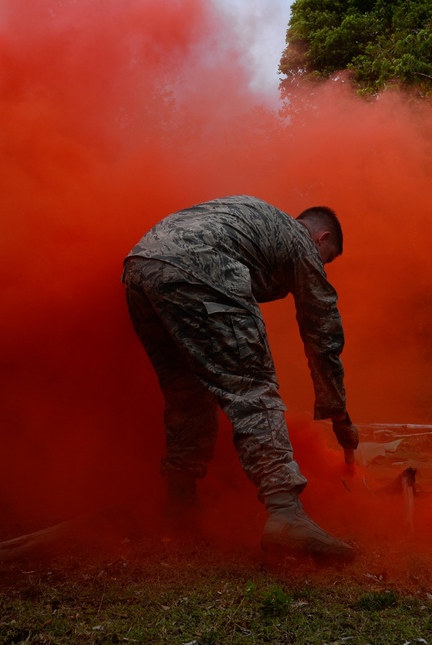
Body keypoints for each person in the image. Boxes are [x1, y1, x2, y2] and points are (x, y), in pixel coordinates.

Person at [122, 195, 360, 561]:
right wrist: (340, 414)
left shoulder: (255, 217)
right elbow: (322, 331)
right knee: (252, 386)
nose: (321, 267)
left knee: (187, 391)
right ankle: (286, 513)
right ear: (323, 237)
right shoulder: (301, 240)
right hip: (200, 265)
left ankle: (179, 505)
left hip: (140, 267)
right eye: (327, 260)